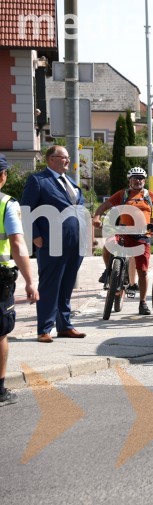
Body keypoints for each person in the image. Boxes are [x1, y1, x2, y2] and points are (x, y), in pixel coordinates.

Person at [21, 145, 87, 342]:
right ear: (51, 159)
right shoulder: (38, 180)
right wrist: (35, 235)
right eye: (63, 157)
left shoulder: (70, 181)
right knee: (50, 286)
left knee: (67, 285)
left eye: (68, 157)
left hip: (75, 242)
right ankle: (44, 329)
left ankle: (65, 326)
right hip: (51, 242)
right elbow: (26, 209)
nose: (68, 160)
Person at [91, 167, 153, 315]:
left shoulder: (149, 195)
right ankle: (109, 271)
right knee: (108, 244)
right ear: (130, 181)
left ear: (144, 181)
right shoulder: (123, 194)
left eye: (141, 178)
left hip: (142, 235)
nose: (138, 180)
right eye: (135, 178)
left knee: (143, 272)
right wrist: (96, 217)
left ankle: (142, 303)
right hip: (124, 232)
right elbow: (104, 206)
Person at [0, 155, 39, 405]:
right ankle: (0, 390)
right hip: (0, 277)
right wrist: (30, 280)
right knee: (0, 332)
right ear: (3, 176)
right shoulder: (6, 203)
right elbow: (17, 242)